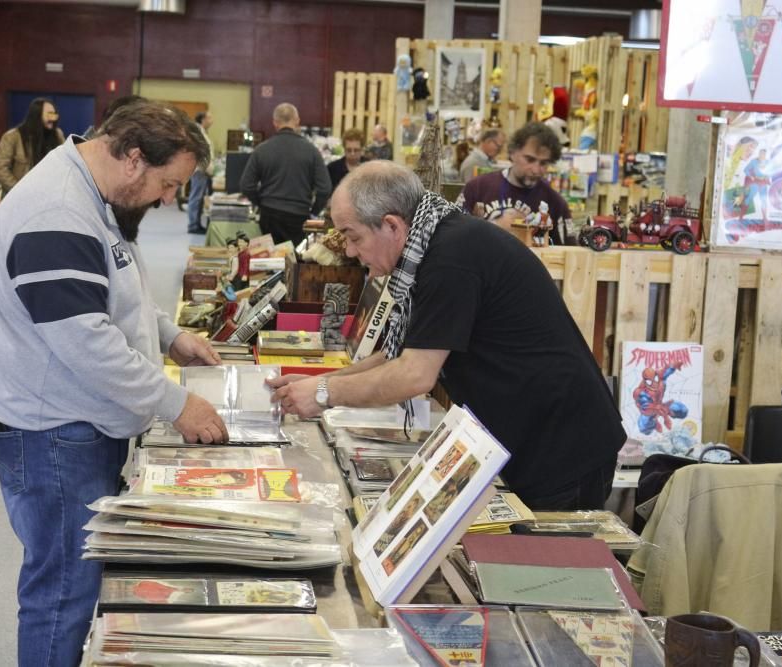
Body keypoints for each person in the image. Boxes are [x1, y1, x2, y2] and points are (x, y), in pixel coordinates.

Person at [0, 100, 229, 667]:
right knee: (65, 591)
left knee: (79, 585)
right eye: (169, 184)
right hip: (51, 432)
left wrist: (166, 335)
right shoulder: (56, 211)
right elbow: (85, 342)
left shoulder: (96, 194)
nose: (170, 198)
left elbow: (112, 286)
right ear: (134, 159)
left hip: (76, 421)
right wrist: (175, 402)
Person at [270, 161, 625, 512]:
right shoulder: (437, 241)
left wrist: (322, 393)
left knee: (549, 564)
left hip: (561, 447)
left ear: (391, 225)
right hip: (535, 434)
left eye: (353, 236)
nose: (349, 251)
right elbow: (400, 355)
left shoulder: (450, 258)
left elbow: (414, 374)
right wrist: (323, 380)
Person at [457, 122, 571, 245]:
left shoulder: (555, 203)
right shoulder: (477, 188)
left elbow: (569, 251)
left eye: (543, 163)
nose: (536, 170)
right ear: (512, 152)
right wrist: (494, 226)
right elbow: (451, 233)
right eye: (529, 159)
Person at [240, 102, 331, 246]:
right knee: (293, 262)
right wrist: (314, 212)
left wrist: (261, 203)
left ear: (275, 123)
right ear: (297, 121)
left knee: (269, 260)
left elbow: (246, 185)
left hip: (269, 214)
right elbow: (325, 189)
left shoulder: (261, 150)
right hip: (299, 216)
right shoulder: (311, 151)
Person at [0, 97, 65, 196]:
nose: (53, 118)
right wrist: (19, 190)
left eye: (54, 114)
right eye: (49, 114)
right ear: (37, 114)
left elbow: (65, 163)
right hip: (17, 199)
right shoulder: (12, 137)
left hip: (48, 197)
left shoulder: (57, 135)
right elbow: (0, 168)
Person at [187, 110, 215, 234]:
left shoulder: (202, 131)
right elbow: (200, 152)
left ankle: (196, 223)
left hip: (203, 170)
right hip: (200, 170)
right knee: (196, 197)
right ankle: (193, 225)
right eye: (209, 118)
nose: (211, 120)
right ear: (203, 119)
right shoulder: (197, 132)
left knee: (198, 198)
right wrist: (207, 168)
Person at [327, 128, 365, 192]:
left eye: (356, 150)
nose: (352, 153)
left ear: (362, 149)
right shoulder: (332, 168)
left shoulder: (370, 167)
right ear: (344, 148)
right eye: (349, 150)